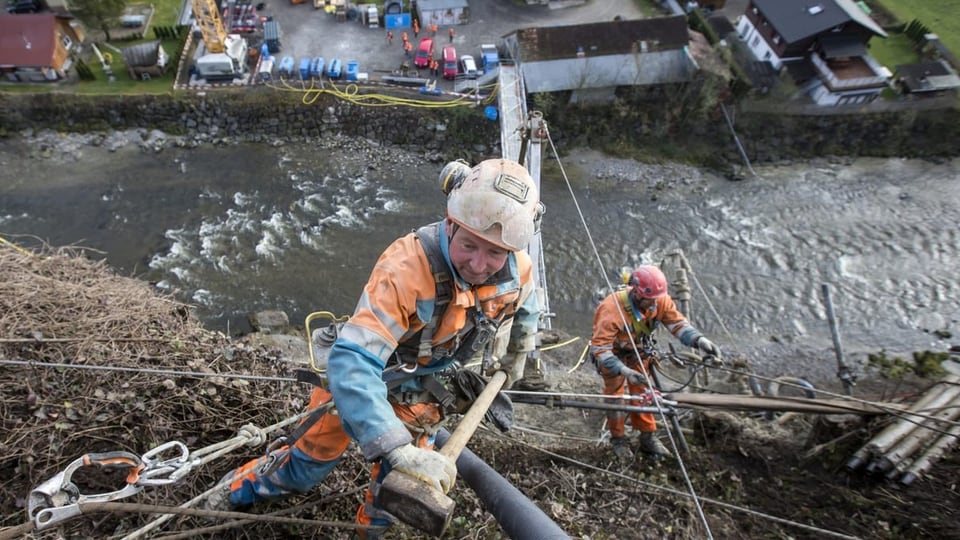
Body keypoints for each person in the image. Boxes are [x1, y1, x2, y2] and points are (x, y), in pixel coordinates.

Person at [206, 159, 542, 538]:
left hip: (422, 393)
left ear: (511, 251)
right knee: (303, 469)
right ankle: (230, 493)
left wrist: (519, 350)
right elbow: (354, 360)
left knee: (397, 491)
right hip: (362, 381)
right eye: (468, 245)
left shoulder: (516, 267)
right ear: (450, 225)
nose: (479, 265)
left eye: (494, 254)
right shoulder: (407, 269)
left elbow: (525, 300)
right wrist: (395, 447)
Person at [589, 265, 721, 461]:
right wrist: (623, 370)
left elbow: (677, 324)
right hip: (614, 357)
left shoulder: (660, 300)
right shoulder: (611, 310)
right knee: (615, 398)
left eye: (655, 300)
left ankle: (647, 436)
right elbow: (600, 349)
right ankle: (618, 439)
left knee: (643, 393)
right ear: (636, 293)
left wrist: (700, 340)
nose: (653, 305)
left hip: (639, 351)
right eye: (649, 300)